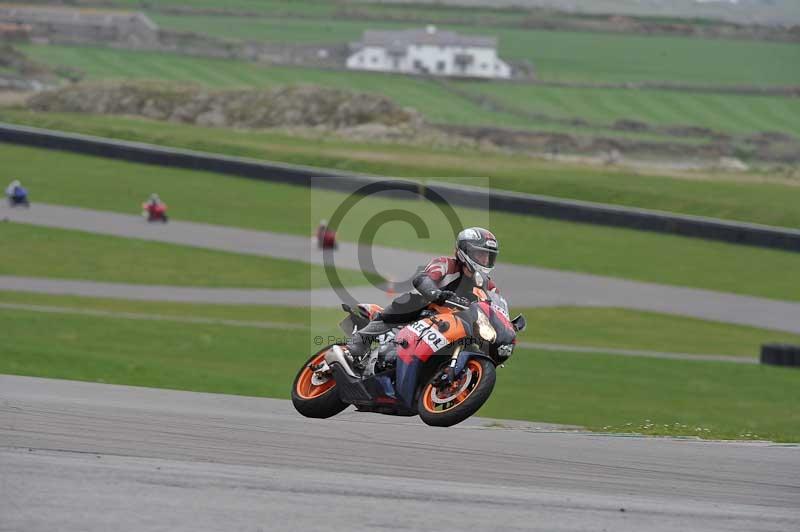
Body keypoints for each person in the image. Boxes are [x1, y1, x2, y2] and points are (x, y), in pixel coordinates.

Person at [337, 227, 500, 360]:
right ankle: (359, 341)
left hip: (455, 323)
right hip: (426, 310)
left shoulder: (487, 284)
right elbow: (424, 278)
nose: (484, 261)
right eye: (480, 255)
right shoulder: (446, 264)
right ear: (465, 251)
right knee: (412, 302)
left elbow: (497, 305)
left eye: (488, 257)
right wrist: (436, 293)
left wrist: (507, 324)